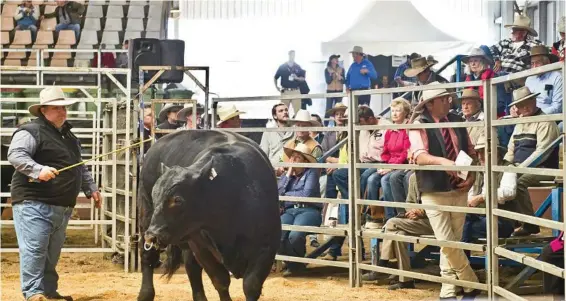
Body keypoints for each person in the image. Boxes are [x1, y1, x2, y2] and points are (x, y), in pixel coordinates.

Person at [8, 87, 101, 301]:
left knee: (51, 253)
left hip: (61, 205)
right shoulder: (30, 130)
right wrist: (38, 170)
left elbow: (79, 165)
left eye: (64, 107)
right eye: (57, 108)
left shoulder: (68, 135)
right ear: (43, 110)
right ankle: (34, 293)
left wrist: (91, 187)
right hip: (34, 201)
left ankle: (48, 292)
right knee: (35, 248)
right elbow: (16, 155)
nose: (63, 112)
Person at [408, 83, 480, 300]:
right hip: (433, 189)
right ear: (430, 104)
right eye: (443, 99)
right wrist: (445, 162)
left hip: (459, 188)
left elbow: (470, 152)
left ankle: (448, 290)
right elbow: (420, 156)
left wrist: (472, 176)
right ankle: (471, 282)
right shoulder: (418, 124)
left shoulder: (457, 120)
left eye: (448, 98)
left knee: (452, 241)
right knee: (445, 241)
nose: (449, 101)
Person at [501, 86, 560, 236]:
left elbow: (542, 153)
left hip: (543, 168)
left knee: (518, 183)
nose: (524, 107)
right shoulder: (521, 122)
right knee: (498, 179)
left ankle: (529, 224)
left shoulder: (545, 121)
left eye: (527, 102)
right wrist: (507, 166)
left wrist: (518, 170)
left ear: (534, 100)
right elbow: (511, 148)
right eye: (520, 105)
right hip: (520, 167)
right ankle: (509, 224)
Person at [278, 143, 321, 277]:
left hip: (309, 210)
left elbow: (306, 195)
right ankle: (294, 264)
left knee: (295, 235)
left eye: (297, 157)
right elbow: (278, 193)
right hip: (290, 210)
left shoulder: (311, 173)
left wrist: (286, 195)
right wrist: (288, 173)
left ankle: (295, 265)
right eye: (292, 157)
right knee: (277, 234)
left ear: (305, 161)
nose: (293, 160)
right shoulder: (288, 176)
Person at [462, 135, 515, 244]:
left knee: (462, 226)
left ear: (496, 152)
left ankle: (461, 258)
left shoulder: (508, 167)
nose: (480, 156)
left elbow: (509, 192)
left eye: (483, 152)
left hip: (501, 221)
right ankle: (462, 258)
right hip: (477, 217)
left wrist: (482, 197)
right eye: (478, 152)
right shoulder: (477, 168)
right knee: (462, 224)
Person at [379, 98, 411, 221]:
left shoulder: (407, 129)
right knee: (371, 178)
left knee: (387, 179)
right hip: (391, 163)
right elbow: (385, 152)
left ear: (405, 113)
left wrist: (391, 167)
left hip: (404, 164)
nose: (395, 113)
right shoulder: (389, 131)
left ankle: (398, 214)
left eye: (398, 111)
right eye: (393, 111)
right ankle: (380, 216)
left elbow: (405, 152)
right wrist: (386, 164)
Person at [524, 45, 563, 130]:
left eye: (537, 63)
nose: (534, 67)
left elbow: (557, 107)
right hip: (528, 118)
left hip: (548, 120)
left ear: (547, 62)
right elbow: (523, 102)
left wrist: (536, 115)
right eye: (532, 63)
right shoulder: (529, 79)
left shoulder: (557, 77)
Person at [260, 103, 293, 171]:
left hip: (292, 173)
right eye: (281, 111)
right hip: (273, 172)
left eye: (286, 110)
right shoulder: (268, 133)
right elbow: (263, 155)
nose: (285, 112)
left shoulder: (295, 131)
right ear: (275, 116)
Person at [274, 50, 306, 114]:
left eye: (294, 55)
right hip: (285, 91)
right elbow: (275, 77)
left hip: (295, 91)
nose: (292, 56)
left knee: (298, 112)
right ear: (288, 55)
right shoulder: (282, 67)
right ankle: (285, 124)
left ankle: (297, 123)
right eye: (291, 55)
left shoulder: (298, 66)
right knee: (283, 112)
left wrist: (296, 78)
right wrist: (277, 87)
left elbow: (303, 78)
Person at [324, 54, 345, 123]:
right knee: (328, 109)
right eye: (335, 58)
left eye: (337, 58)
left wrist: (340, 78)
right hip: (330, 91)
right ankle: (325, 126)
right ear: (331, 60)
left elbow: (344, 81)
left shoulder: (342, 69)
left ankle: (337, 125)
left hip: (339, 90)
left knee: (338, 109)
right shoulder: (327, 70)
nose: (337, 60)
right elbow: (328, 81)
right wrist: (331, 75)